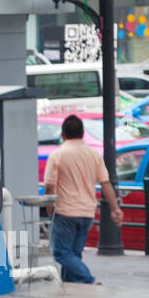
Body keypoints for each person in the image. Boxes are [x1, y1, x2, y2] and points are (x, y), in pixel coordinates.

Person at [42, 114, 123, 285]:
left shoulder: (58, 154)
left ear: (62, 134)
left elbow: (49, 185)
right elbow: (105, 183)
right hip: (87, 212)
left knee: (61, 253)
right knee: (74, 253)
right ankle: (69, 283)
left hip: (65, 211)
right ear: (83, 133)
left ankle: (89, 279)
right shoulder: (94, 154)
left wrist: (49, 207)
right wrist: (116, 209)